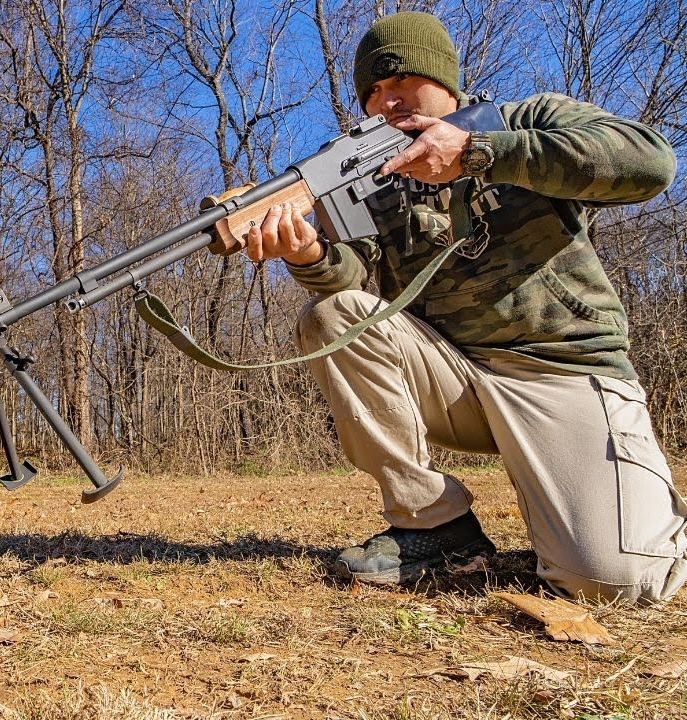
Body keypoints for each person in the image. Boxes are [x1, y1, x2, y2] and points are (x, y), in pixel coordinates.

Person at [244, 11, 686, 604]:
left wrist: (478, 152)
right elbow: (353, 280)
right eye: (372, 91)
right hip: (457, 380)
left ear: (444, 80)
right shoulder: (376, 177)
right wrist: (308, 254)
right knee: (334, 317)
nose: (386, 101)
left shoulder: (526, 122)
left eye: (401, 81)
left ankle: (642, 520)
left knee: (613, 581)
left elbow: (649, 164)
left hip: (564, 373)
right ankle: (436, 529)